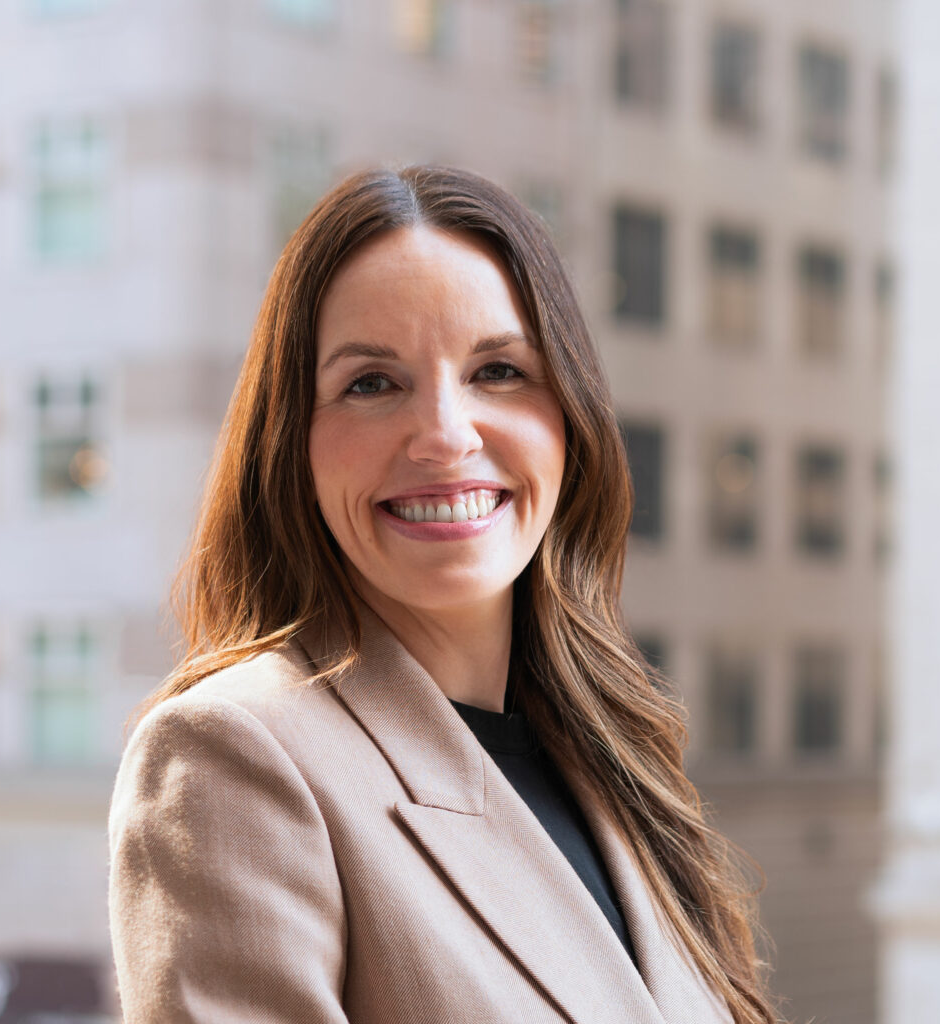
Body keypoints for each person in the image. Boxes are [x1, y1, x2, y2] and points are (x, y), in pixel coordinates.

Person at [108, 165, 779, 1024]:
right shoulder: (230, 757)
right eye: (372, 384)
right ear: (292, 446)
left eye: (498, 371)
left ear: (569, 416)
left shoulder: (612, 758)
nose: (445, 436)